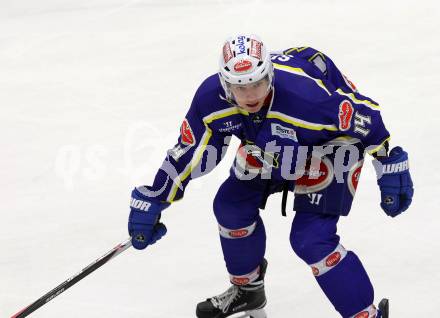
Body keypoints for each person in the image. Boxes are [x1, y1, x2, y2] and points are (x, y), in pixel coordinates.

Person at [127, 34, 413, 318]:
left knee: (311, 238)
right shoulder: (210, 100)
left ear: (271, 76)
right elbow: (190, 151)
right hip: (271, 143)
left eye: (258, 83)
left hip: (331, 144)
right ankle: (247, 291)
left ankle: (364, 314)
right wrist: (155, 197)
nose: (251, 95)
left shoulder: (308, 98)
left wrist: (391, 166)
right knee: (230, 206)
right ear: (226, 85)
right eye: (241, 87)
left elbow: (368, 118)